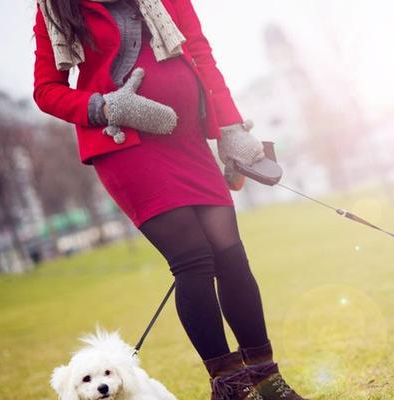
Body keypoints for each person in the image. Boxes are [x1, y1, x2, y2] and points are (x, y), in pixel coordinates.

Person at [32, 1, 304, 399]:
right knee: (194, 259)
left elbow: (199, 52)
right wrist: (105, 106)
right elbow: (46, 89)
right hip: (125, 142)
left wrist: (230, 126)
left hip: (187, 137)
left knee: (231, 255)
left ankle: (267, 383)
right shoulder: (56, 9)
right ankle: (230, 387)